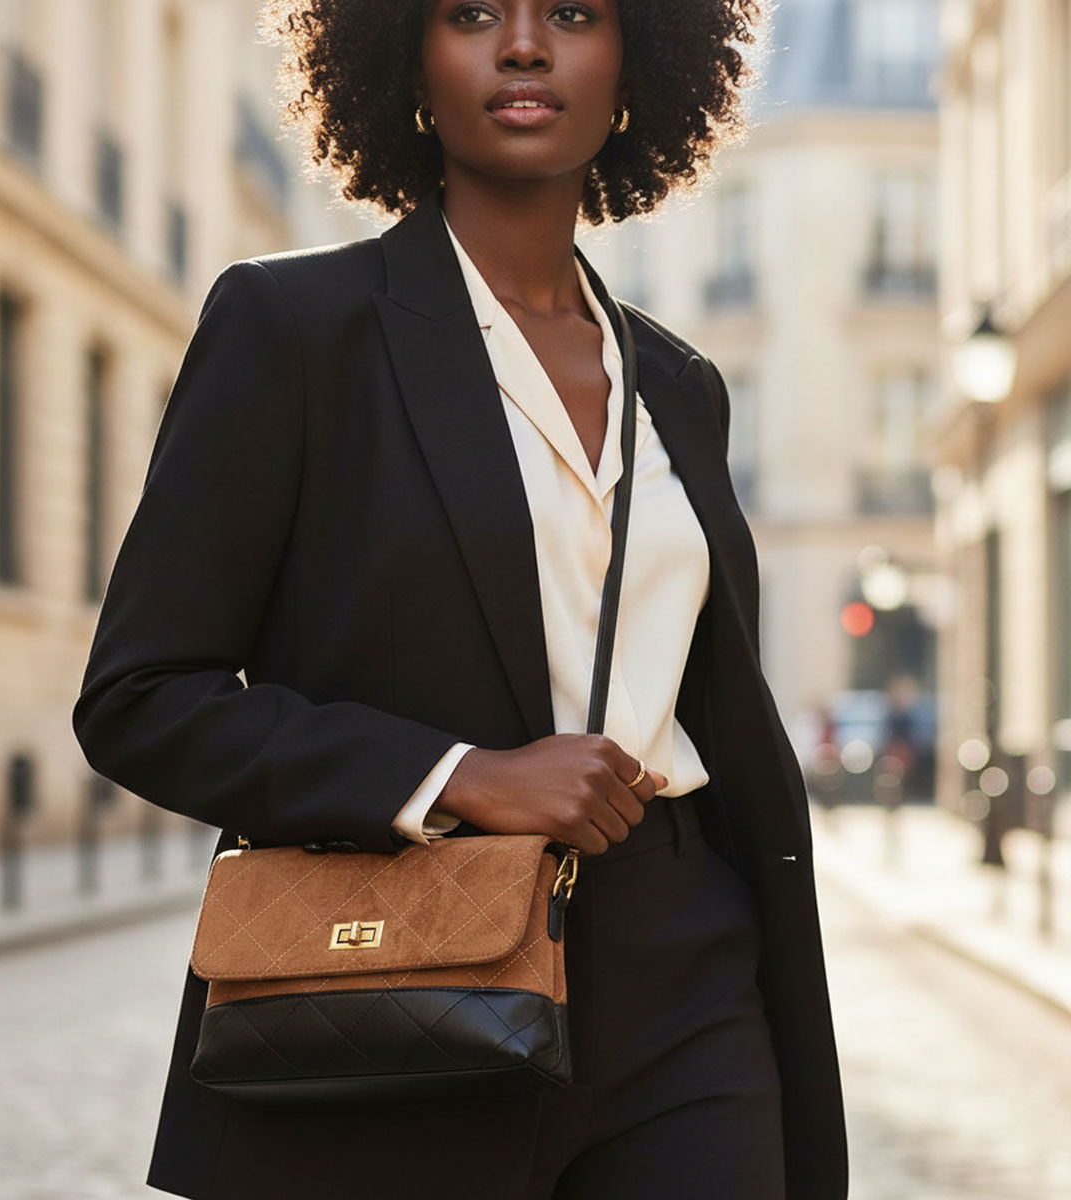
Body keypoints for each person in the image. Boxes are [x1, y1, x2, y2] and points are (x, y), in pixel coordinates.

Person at [73, 1, 848, 1197]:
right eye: (473, 12)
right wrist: (455, 776)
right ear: (407, 65)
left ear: (637, 64)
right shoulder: (294, 329)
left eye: (575, 13)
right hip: (404, 965)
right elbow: (140, 698)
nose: (525, 45)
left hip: (686, 961)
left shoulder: (679, 385)